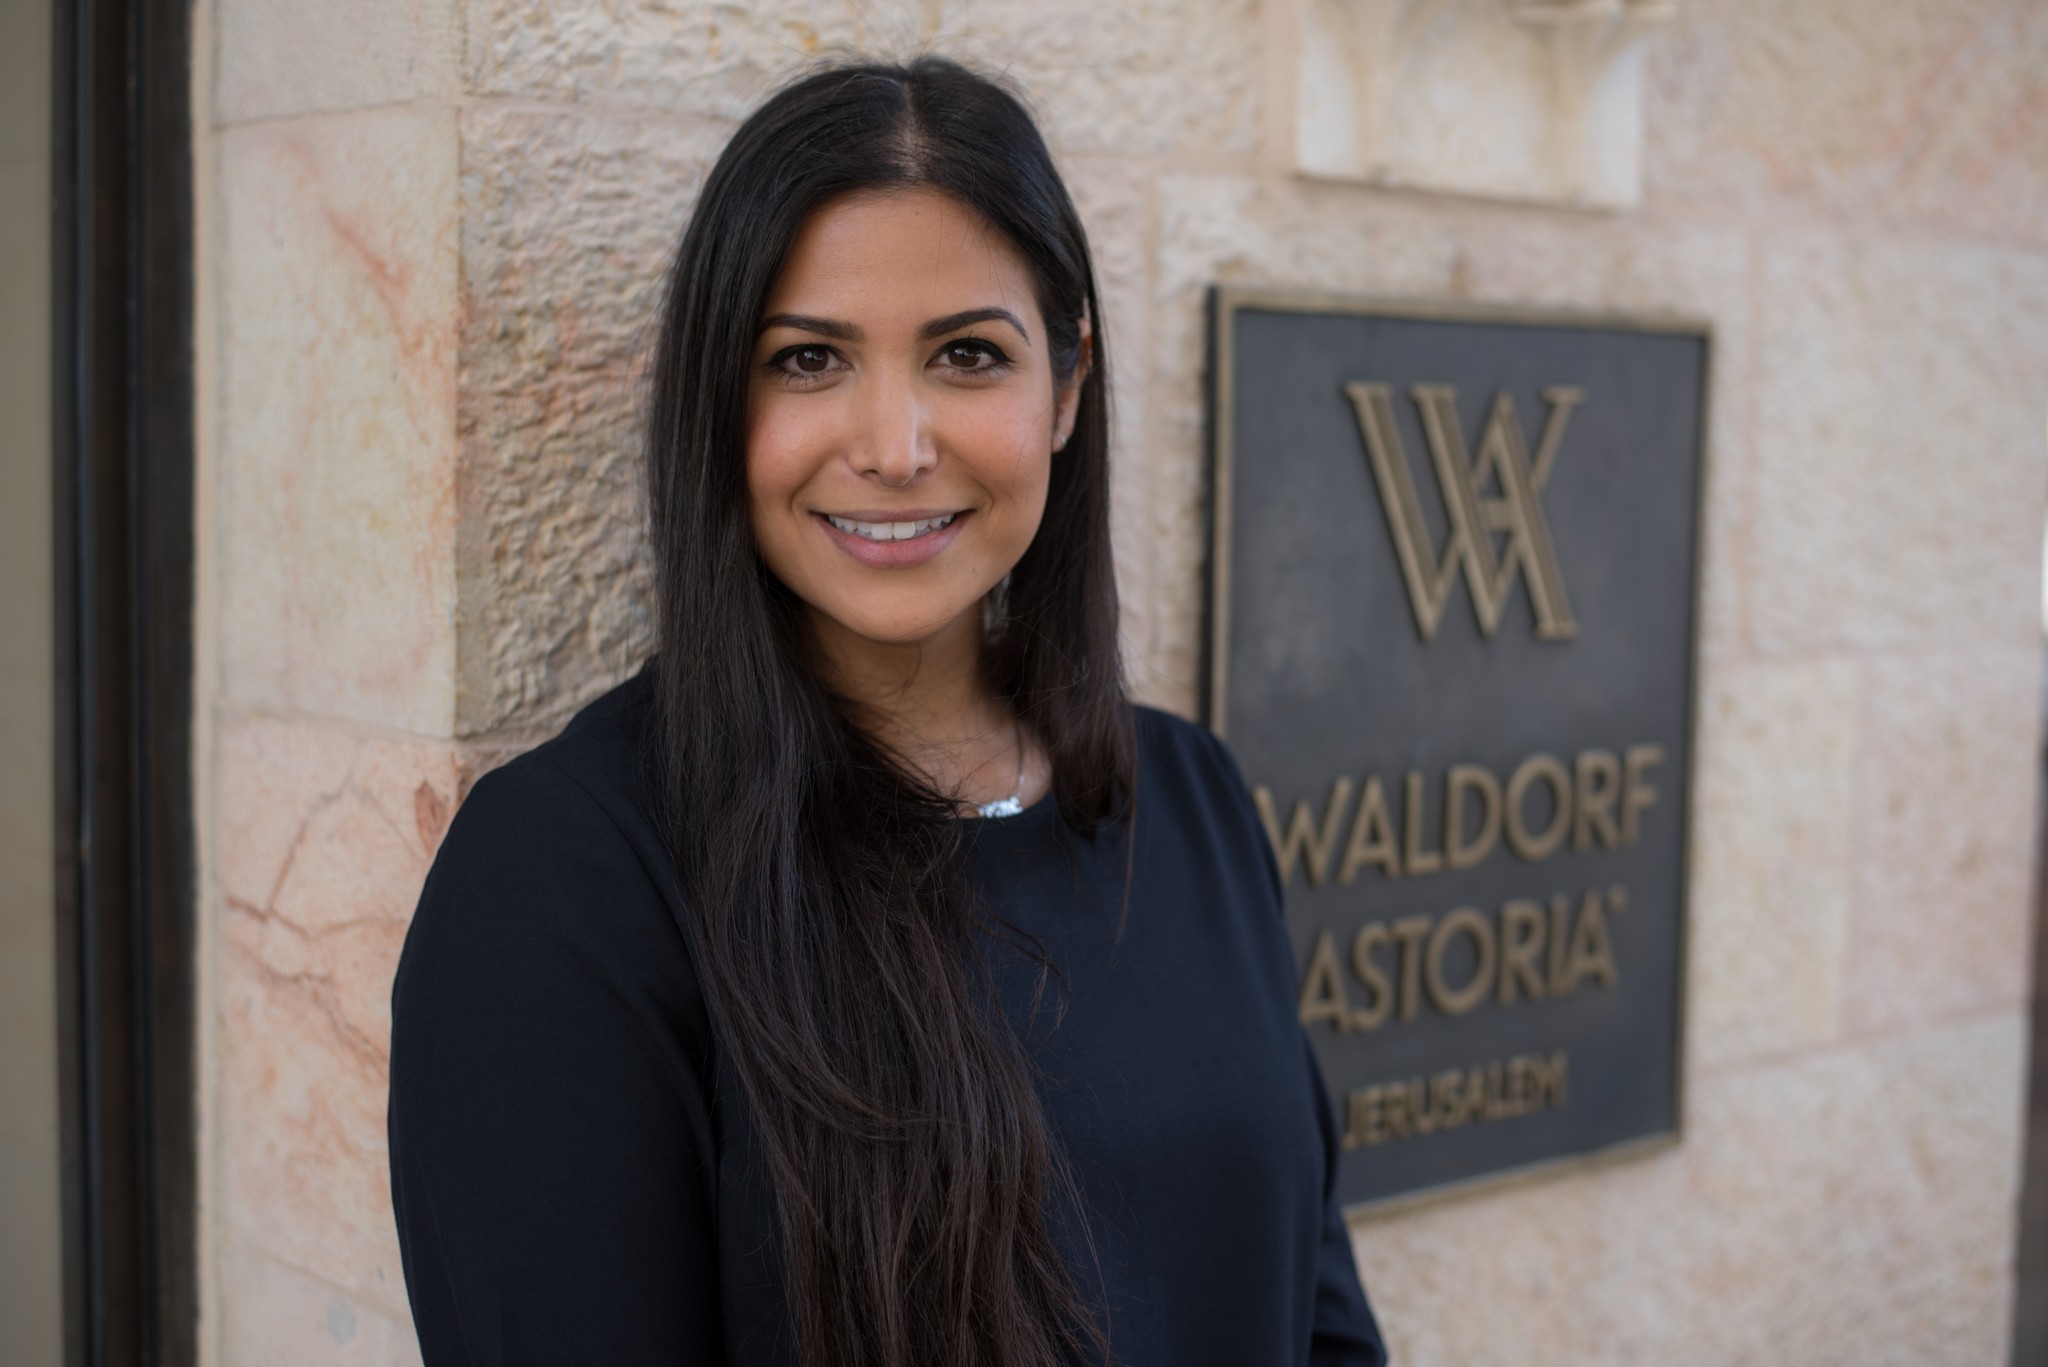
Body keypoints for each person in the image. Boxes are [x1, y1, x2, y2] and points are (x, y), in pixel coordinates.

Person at [386, 56, 1387, 1367]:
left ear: (1067, 386)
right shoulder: (565, 882)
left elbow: (1322, 1328)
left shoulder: (1192, 801)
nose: (896, 446)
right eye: (809, 359)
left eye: (968, 355)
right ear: (718, 400)